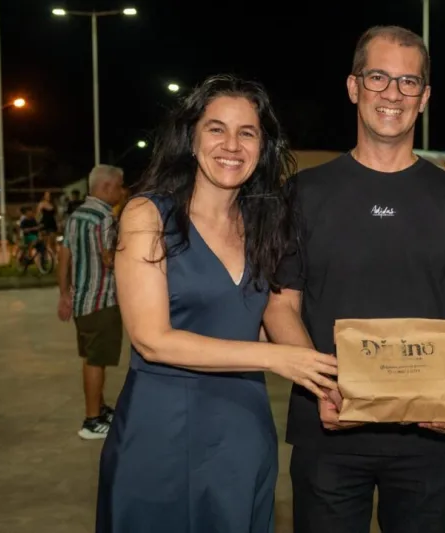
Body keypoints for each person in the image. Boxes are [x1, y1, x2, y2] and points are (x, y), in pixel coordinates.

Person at [265, 26, 445, 533]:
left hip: (424, 436)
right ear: (354, 87)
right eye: (378, 77)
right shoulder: (303, 193)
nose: (392, 93)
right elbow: (281, 305)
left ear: (425, 97)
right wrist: (323, 386)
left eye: (408, 82)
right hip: (327, 428)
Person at [95, 74, 339, 533]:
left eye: (247, 132)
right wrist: (275, 358)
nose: (232, 144)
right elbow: (151, 340)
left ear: (262, 146)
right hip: (160, 433)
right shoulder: (148, 215)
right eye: (216, 128)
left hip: (242, 432)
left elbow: (268, 316)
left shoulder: (263, 223)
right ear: (191, 138)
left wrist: (326, 374)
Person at [57, 165, 125, 439]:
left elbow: (64, 259)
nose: (121, 192)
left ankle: (98, 407)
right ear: (107, 187)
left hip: (82, 302)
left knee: (91, 358)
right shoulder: (105, 218)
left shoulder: (76, 216)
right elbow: (109, 259)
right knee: (97, 360)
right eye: (120, 186)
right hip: (102, 301)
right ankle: (92, 420)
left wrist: (64, 295)